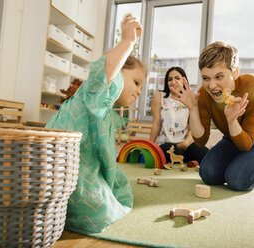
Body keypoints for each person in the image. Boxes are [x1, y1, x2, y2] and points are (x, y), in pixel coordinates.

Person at [46, 15, 145, 233]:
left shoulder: (104, 105)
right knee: (101, 211)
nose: (139, 91)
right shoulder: (103, 84)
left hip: (80, 166)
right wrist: (127, 41)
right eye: (136, 82)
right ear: (120, 69)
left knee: (119, 186)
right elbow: (107, 70)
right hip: (64, 167)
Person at [170, 41, 254, 191]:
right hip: (232, 138)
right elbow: (200, 140)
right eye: (206, 78)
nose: (211, 86)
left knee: (237, 179)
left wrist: (232, 121)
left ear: (235, 73)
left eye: (219, 77)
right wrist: (193, 109)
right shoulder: (204, 94)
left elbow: (246, 144)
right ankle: (245, 166)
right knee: (208, 173)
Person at [150, 67, 209, 165]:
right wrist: (150, 146)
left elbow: (191, 129)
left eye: (177, 78)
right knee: (175, 152)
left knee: (206, 154)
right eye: (169, 79)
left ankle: (190, 160)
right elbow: (156, 124)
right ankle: (190, 161)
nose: (173, 82)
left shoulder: (190, 99)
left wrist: (186, 143)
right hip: (166, 144)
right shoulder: (159, 97)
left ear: (183, 80)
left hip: (185, 143)